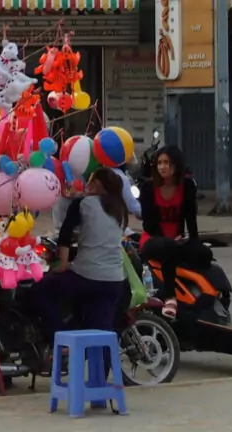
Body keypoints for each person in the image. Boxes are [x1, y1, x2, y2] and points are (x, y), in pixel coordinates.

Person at [33, 167, 128, 341]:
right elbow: (101, 233)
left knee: (41, 288)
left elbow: (65, 235)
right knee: (101, 337)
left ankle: (61, 337)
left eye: (90, 181)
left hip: (87, 276)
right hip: (114, 280)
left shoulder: (83, 203)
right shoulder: (119, 208)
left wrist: (62, 264)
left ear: (97, 184)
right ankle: (101, 368)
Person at [137, 145, 202, 320]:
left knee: (204, 253)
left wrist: (193, 241)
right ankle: (170, 297)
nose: (162, 167)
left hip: (178, 240)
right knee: (168, 247)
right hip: (153, 240)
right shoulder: (148, 188)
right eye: (160, 163)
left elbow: (191, 218)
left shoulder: (187, 186)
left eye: (167, 163)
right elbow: (149, 224)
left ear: (176, 166)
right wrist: (171, 240)